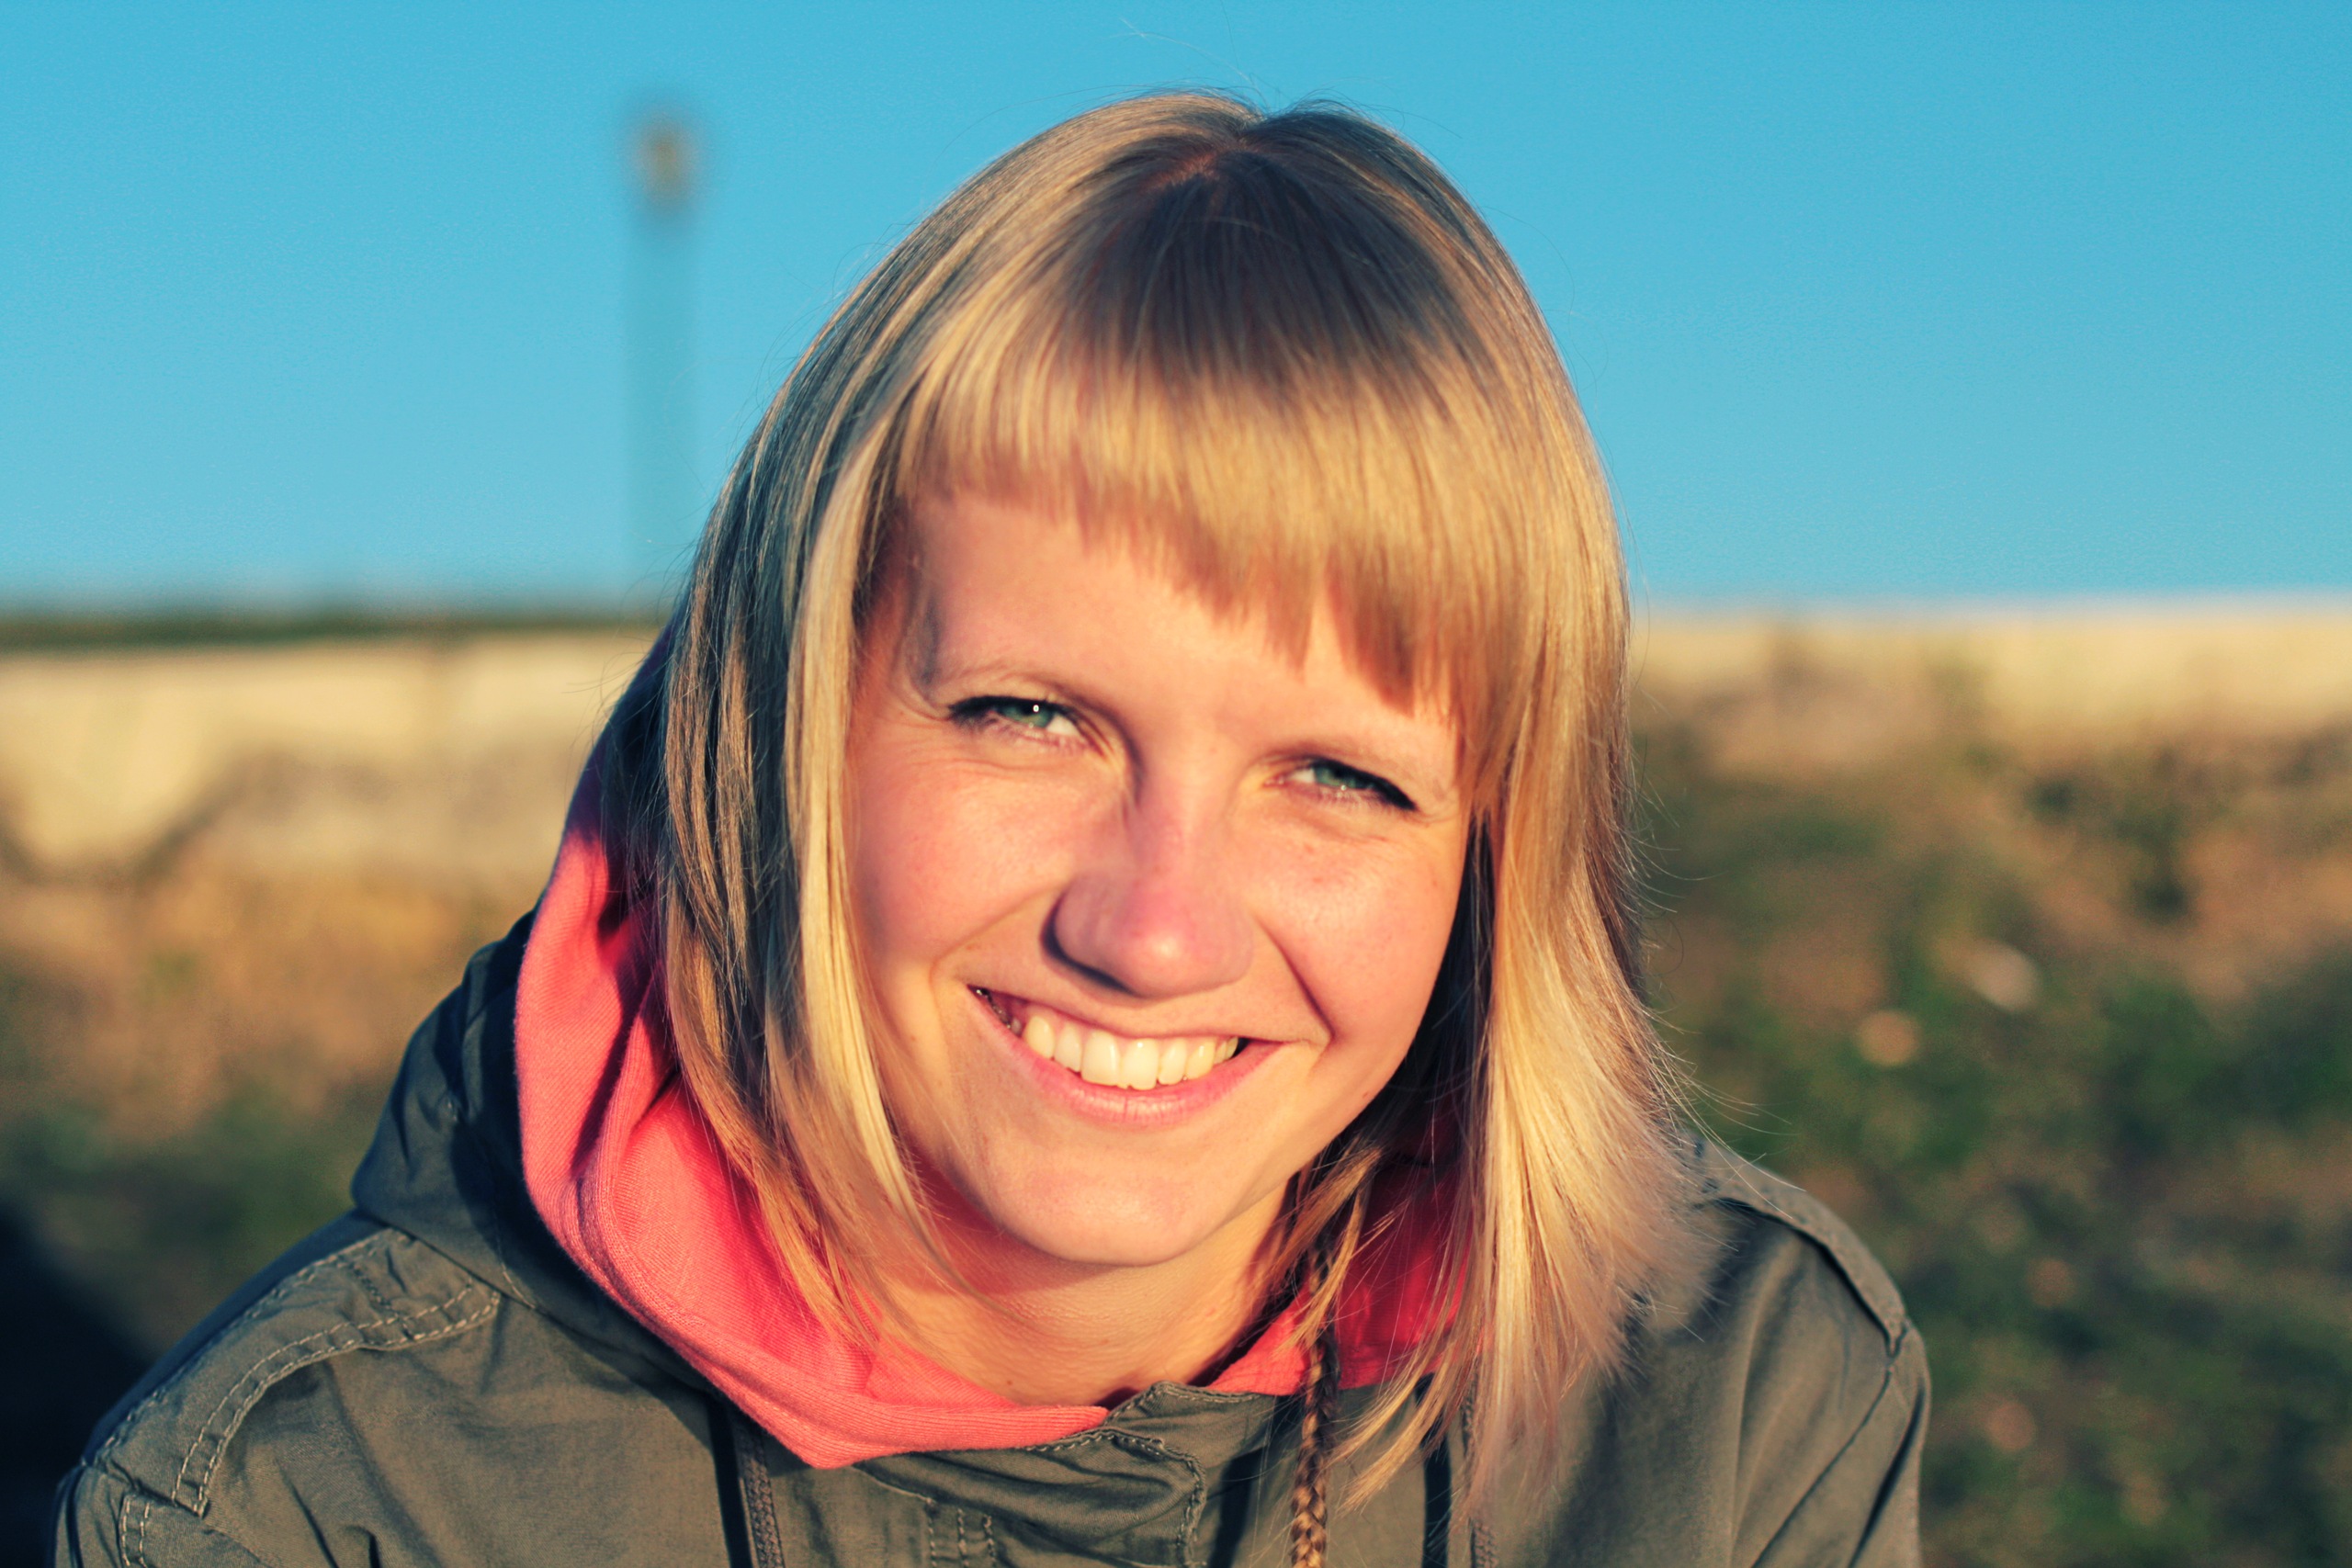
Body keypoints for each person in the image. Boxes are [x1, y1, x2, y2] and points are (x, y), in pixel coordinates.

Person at [55, 94, 1926, 1567]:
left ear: (1493, 862)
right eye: (1031, 718)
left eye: (1337, 777)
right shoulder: (314, 1507)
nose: (1158, 928)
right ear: (782, 733)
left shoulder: (1725, 1407)